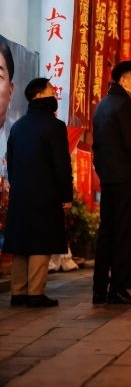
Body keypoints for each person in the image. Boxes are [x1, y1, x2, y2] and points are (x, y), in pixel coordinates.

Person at [3, 78, 73, 308]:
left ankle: (18, 292)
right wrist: (66, 196)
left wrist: (19, 185)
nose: (55, 95)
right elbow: (61, 165)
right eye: (52, 91)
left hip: (21, 193)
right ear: (40, 96)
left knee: (21, 243)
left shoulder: (18, 125)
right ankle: (35, 293)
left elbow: (10, 163)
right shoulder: (54, 126)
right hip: (45, 193)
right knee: (41, 243)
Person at [92, 60, 131, 306]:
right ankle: (118, 288)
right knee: (125, 234)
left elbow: (98, 146)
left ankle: (99, 289)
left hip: (109, 177)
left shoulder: (103, 105)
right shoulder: (125, 105)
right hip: (125, 178)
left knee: (107, 233)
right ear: (124, 80)